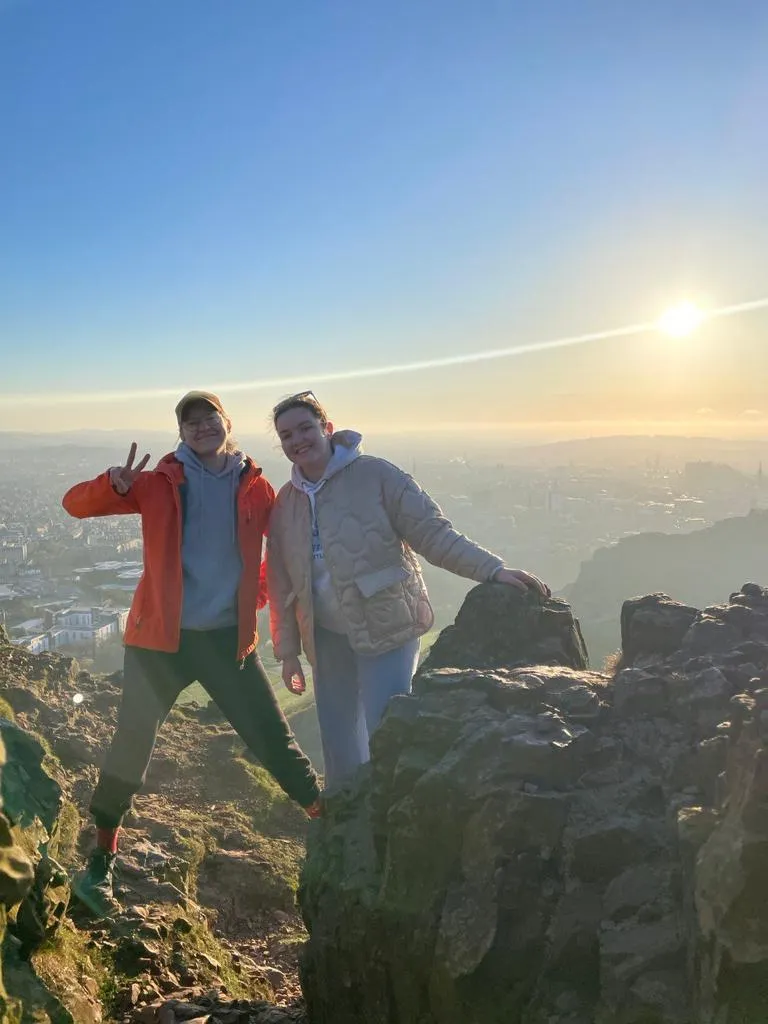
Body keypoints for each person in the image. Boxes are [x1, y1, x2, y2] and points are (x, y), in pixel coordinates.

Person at [62, 391, 320, 918]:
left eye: (210, 419)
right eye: (190, 422)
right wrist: (109, 483)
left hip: (228, 641)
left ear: (227, 424)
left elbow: (276, 556)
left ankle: (327, 818)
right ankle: (102, 859)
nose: (201, 427)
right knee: (132, 743)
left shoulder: (257, 488)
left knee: (271, 737)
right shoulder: (157, 483)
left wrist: (256, 598)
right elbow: (76, 505)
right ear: (180, 433)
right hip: (160, 641)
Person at [266, 390, 551, 789]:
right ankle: (346, 827)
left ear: (326, 428)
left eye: (304, 428)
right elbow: (280, 583)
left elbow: (433, 534)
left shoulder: (377, 476)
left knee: (388, 727)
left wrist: (492, 569)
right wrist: (288, 653)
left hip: (388, 625)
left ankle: (390, 818)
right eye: (286, 435)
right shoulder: (287, 502)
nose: (297, 440)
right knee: (339, 740)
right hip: (327, 637)